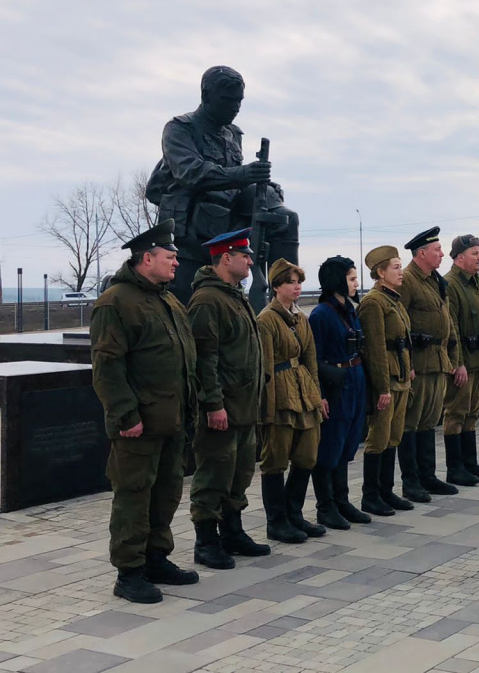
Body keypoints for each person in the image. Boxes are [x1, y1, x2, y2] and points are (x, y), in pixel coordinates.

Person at [91, 220, 200, 604]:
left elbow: (184, 360)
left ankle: (156, 559)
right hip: (139, 425)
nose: (176, 263)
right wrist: (126, 415)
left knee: (166, 493)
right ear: (147, 257)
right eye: (170, 257)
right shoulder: (116, 302)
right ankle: (129, 572)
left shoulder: (167, 299)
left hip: (172, 420)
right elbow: (108, 367)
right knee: (134, 496)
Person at [148, 66, 299, 305]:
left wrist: (265, 185)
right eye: (227, 100)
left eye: (239, 101)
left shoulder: (232, 134)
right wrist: (244, 174)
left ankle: (284, 296)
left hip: (226, 233)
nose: (234, 107)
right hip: (191, 240)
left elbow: (234, 182)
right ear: (206, 96)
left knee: (287, 218)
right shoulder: (180, 128)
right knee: (189, 310)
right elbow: (190, 172)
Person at [188, 228, 270, 570]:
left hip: (244, 405)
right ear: (226, 258)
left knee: (239, 472)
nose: (250, 261)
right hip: (223, 406)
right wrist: (213, 403)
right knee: (214, 474)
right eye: (244, 256)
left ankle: (232, 531)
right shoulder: (208, 299)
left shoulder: (233, 294)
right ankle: (207, 541)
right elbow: (204, 357)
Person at [257, 259, 327, 542]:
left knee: (307, 455)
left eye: (299, 281)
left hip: (303, 391)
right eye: (290, 282)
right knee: (275, 458)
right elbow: (265, 367)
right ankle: (277, 521)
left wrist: (317, 395)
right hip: (281, 393)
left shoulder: (301, 318)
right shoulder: (266, 319)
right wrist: (268, 408)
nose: (297, 287)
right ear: (276, 287)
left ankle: (294, 513)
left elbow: (310, 358)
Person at [309, 256, 371, 528]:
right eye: (351, 278)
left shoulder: (351, 309)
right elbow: (315, 358)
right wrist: (320, 394)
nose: (356, 283)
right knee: (330, 444)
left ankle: (342, 500)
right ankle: (326, 505)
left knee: (348, 441)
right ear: (337, 281)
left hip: (354, 376)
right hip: (335, 381)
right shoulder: (321, 314)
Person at [397, 227, 458, 502]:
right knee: (412, 423)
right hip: (418, 363)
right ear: (422, 253)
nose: (441, 254)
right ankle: (411, 482)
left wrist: (454, 359)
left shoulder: (435, 280)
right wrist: (406, 363)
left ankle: (428, 476)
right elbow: (401, 325)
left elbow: (447, 319)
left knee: (430, 421)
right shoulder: (408, 280)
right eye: (437, 250)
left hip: (437, 362)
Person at [358, 246, 416, 515]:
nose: (400, 271)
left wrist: (410, 368)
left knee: (393, 436)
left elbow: (404, 341)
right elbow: (376, 349)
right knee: (378, 438)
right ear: (380, 273)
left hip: (401, 375)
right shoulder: (373, 303)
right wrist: (382, 388)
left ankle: (386, 491)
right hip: (388, 380)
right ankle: (371, 495)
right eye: (395, 267)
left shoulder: (394, 299)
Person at [442, 235, 479, 483]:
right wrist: (458, 364)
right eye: (475, 253)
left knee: (473, 413)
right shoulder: (450, 284)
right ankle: (455, 468)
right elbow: (451, 326)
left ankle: (470, 464)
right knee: (456, 414)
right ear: (459, 257)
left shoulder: (478, 283)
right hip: (465, 360)